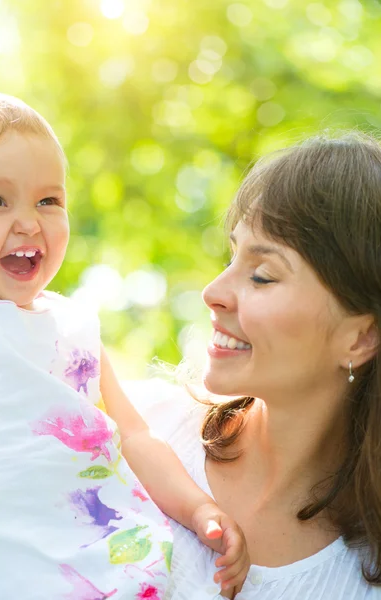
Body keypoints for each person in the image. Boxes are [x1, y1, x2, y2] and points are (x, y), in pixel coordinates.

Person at [0, 89, 249, 600]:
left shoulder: (76, 323)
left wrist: (200, 509)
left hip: (94, 563)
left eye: (49, 200)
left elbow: (135, 439)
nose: (29, 221)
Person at [130, 132, 381, 599]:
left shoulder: (360, 581)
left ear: (361, 337)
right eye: (232, 255)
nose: (213, 292)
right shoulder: (137, 428)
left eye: (262, 275)